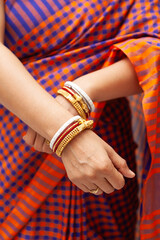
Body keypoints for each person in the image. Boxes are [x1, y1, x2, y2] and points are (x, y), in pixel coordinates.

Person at [0, 0, 159, 239]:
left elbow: (153, 48)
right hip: (14, 146)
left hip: (103, 149)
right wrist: (66, 133)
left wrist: (82, 91)